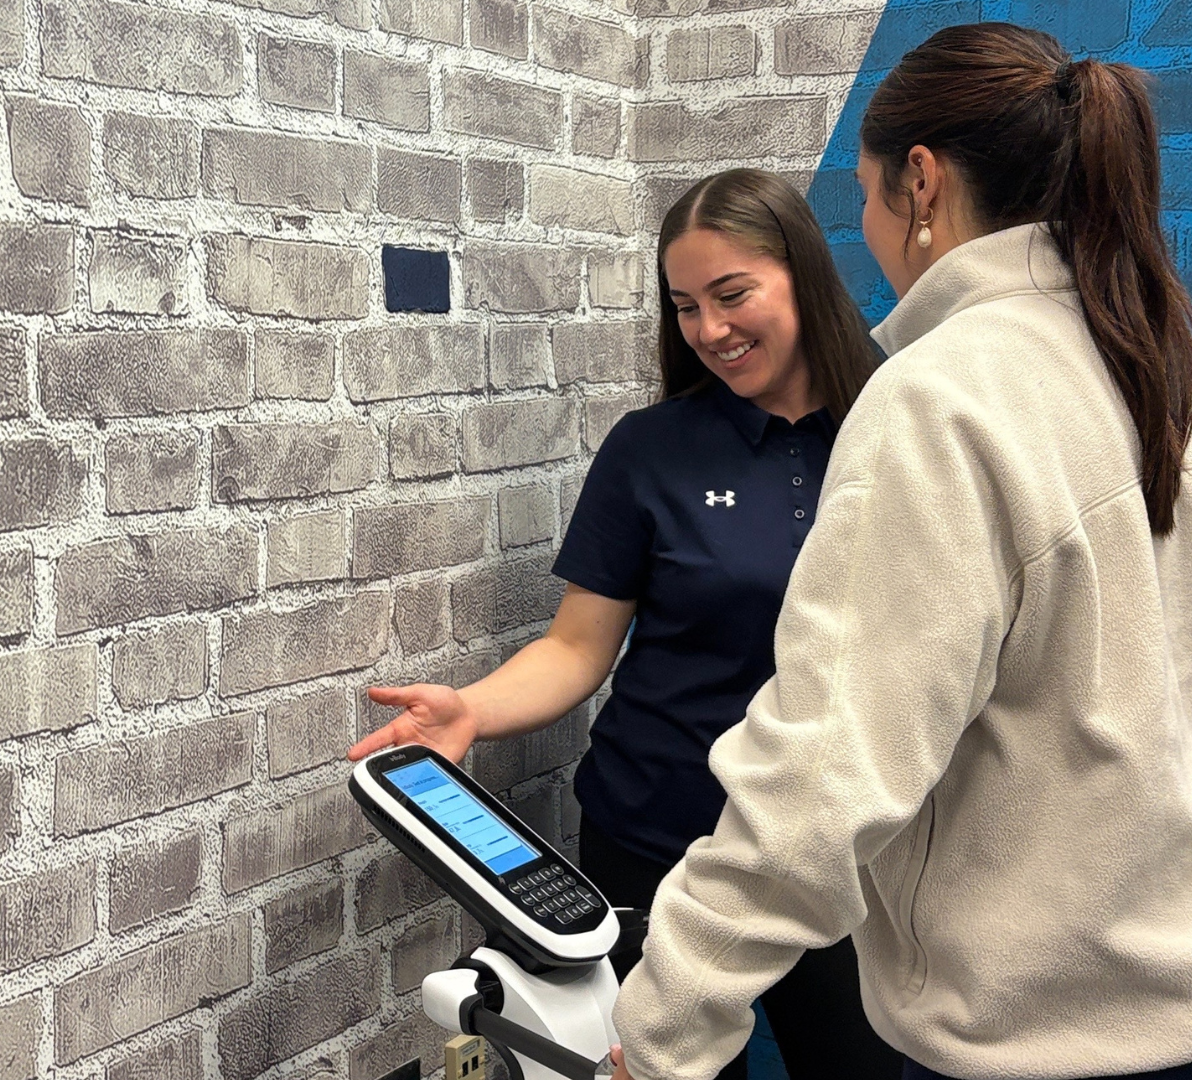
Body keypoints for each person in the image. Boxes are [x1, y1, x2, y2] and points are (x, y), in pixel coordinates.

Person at [606, 22, 1192, 1080]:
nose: (871, 231)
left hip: (1045, 1038)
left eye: (870, 199)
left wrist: (659, 1033)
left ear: (920, 185)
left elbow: (822, 774)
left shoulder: (936, 397)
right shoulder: (1160, 374)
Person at [348, 168, 902, 1080]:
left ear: (803, 272)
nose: (710, 331)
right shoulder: (653, 448)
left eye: (733, 295)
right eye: (685, 307)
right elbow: (578, 645)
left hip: (837, 851)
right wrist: (474, 712)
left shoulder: (899, 422)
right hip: (657, 840)